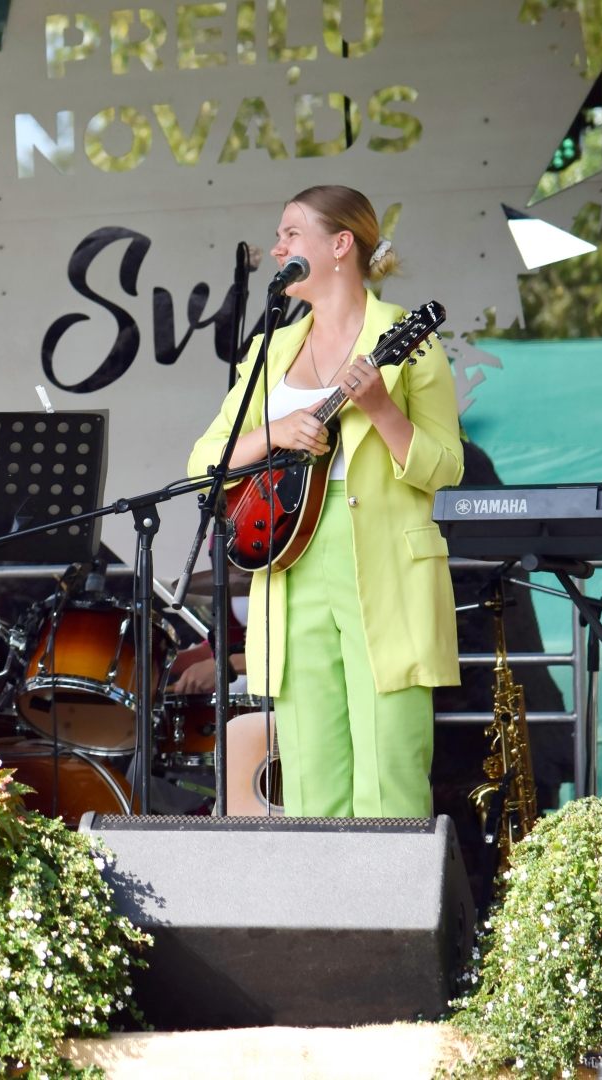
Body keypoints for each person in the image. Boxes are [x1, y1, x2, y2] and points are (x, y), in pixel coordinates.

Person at [187, 185, 462, 818]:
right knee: (309, 775)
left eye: (290, 233)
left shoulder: (403, 336)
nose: (277, 248)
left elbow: (447, 467)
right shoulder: (272, 349)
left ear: (341, 245)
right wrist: (274, 433)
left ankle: (396, 886)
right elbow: (204, 460)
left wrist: (381, 409)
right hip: (287, 564)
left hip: (384, 563)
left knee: (389, 770)